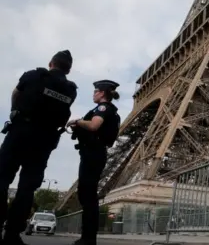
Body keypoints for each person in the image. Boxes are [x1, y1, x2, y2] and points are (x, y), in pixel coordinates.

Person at [0, 50, 77, 245]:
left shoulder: (33, 75)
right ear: (68, 70)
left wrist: (14, 112)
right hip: (44, 140)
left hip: (20, 131)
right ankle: (12, 233)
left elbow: (16, 93)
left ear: (51, 63)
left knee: (2, 179)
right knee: (27, 188)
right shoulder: (70, 89)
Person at [67, 80, 121, 245]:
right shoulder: (111, 111)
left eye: (95, 91)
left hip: (93, 153)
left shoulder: (103, 108)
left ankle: (88, 238)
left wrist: (76, 122)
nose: (93, 94)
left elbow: (94, 125)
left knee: (88, 195)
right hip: (95, 152)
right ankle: (88, 237)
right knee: (87, 194)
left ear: (102, 93)